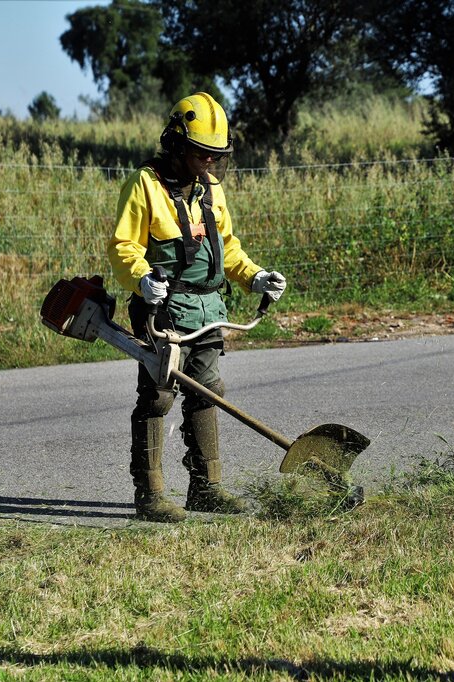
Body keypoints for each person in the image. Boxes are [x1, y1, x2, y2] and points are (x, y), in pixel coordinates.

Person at [108, 92, 287, 523]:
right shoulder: (145, 184)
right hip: (163, 312)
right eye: (202, 153)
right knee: (158, 397)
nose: (210, 162)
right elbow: (123, 246)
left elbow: (227, 247)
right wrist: (141, 279)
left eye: (216, 155)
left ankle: (207, 488)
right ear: (177, 144)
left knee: (209, 394)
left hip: (209, 309)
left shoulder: (211, 190)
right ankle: (149, 494)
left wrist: (255, 276)